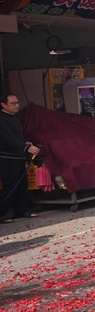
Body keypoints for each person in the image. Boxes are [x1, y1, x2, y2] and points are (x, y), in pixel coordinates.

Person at [0, 94, 40, 223]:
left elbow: (18, 137)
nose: (17, 105)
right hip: (7, 158)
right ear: (3, 104)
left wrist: (26, 143)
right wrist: (25, 148)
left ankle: (20, 211)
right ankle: (1, 213)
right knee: (11, 185)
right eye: (13, 103)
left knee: (22, 185)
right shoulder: (2, 119)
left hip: (18, 157)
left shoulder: (14, 119)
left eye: (18, 102)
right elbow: (9, 139)